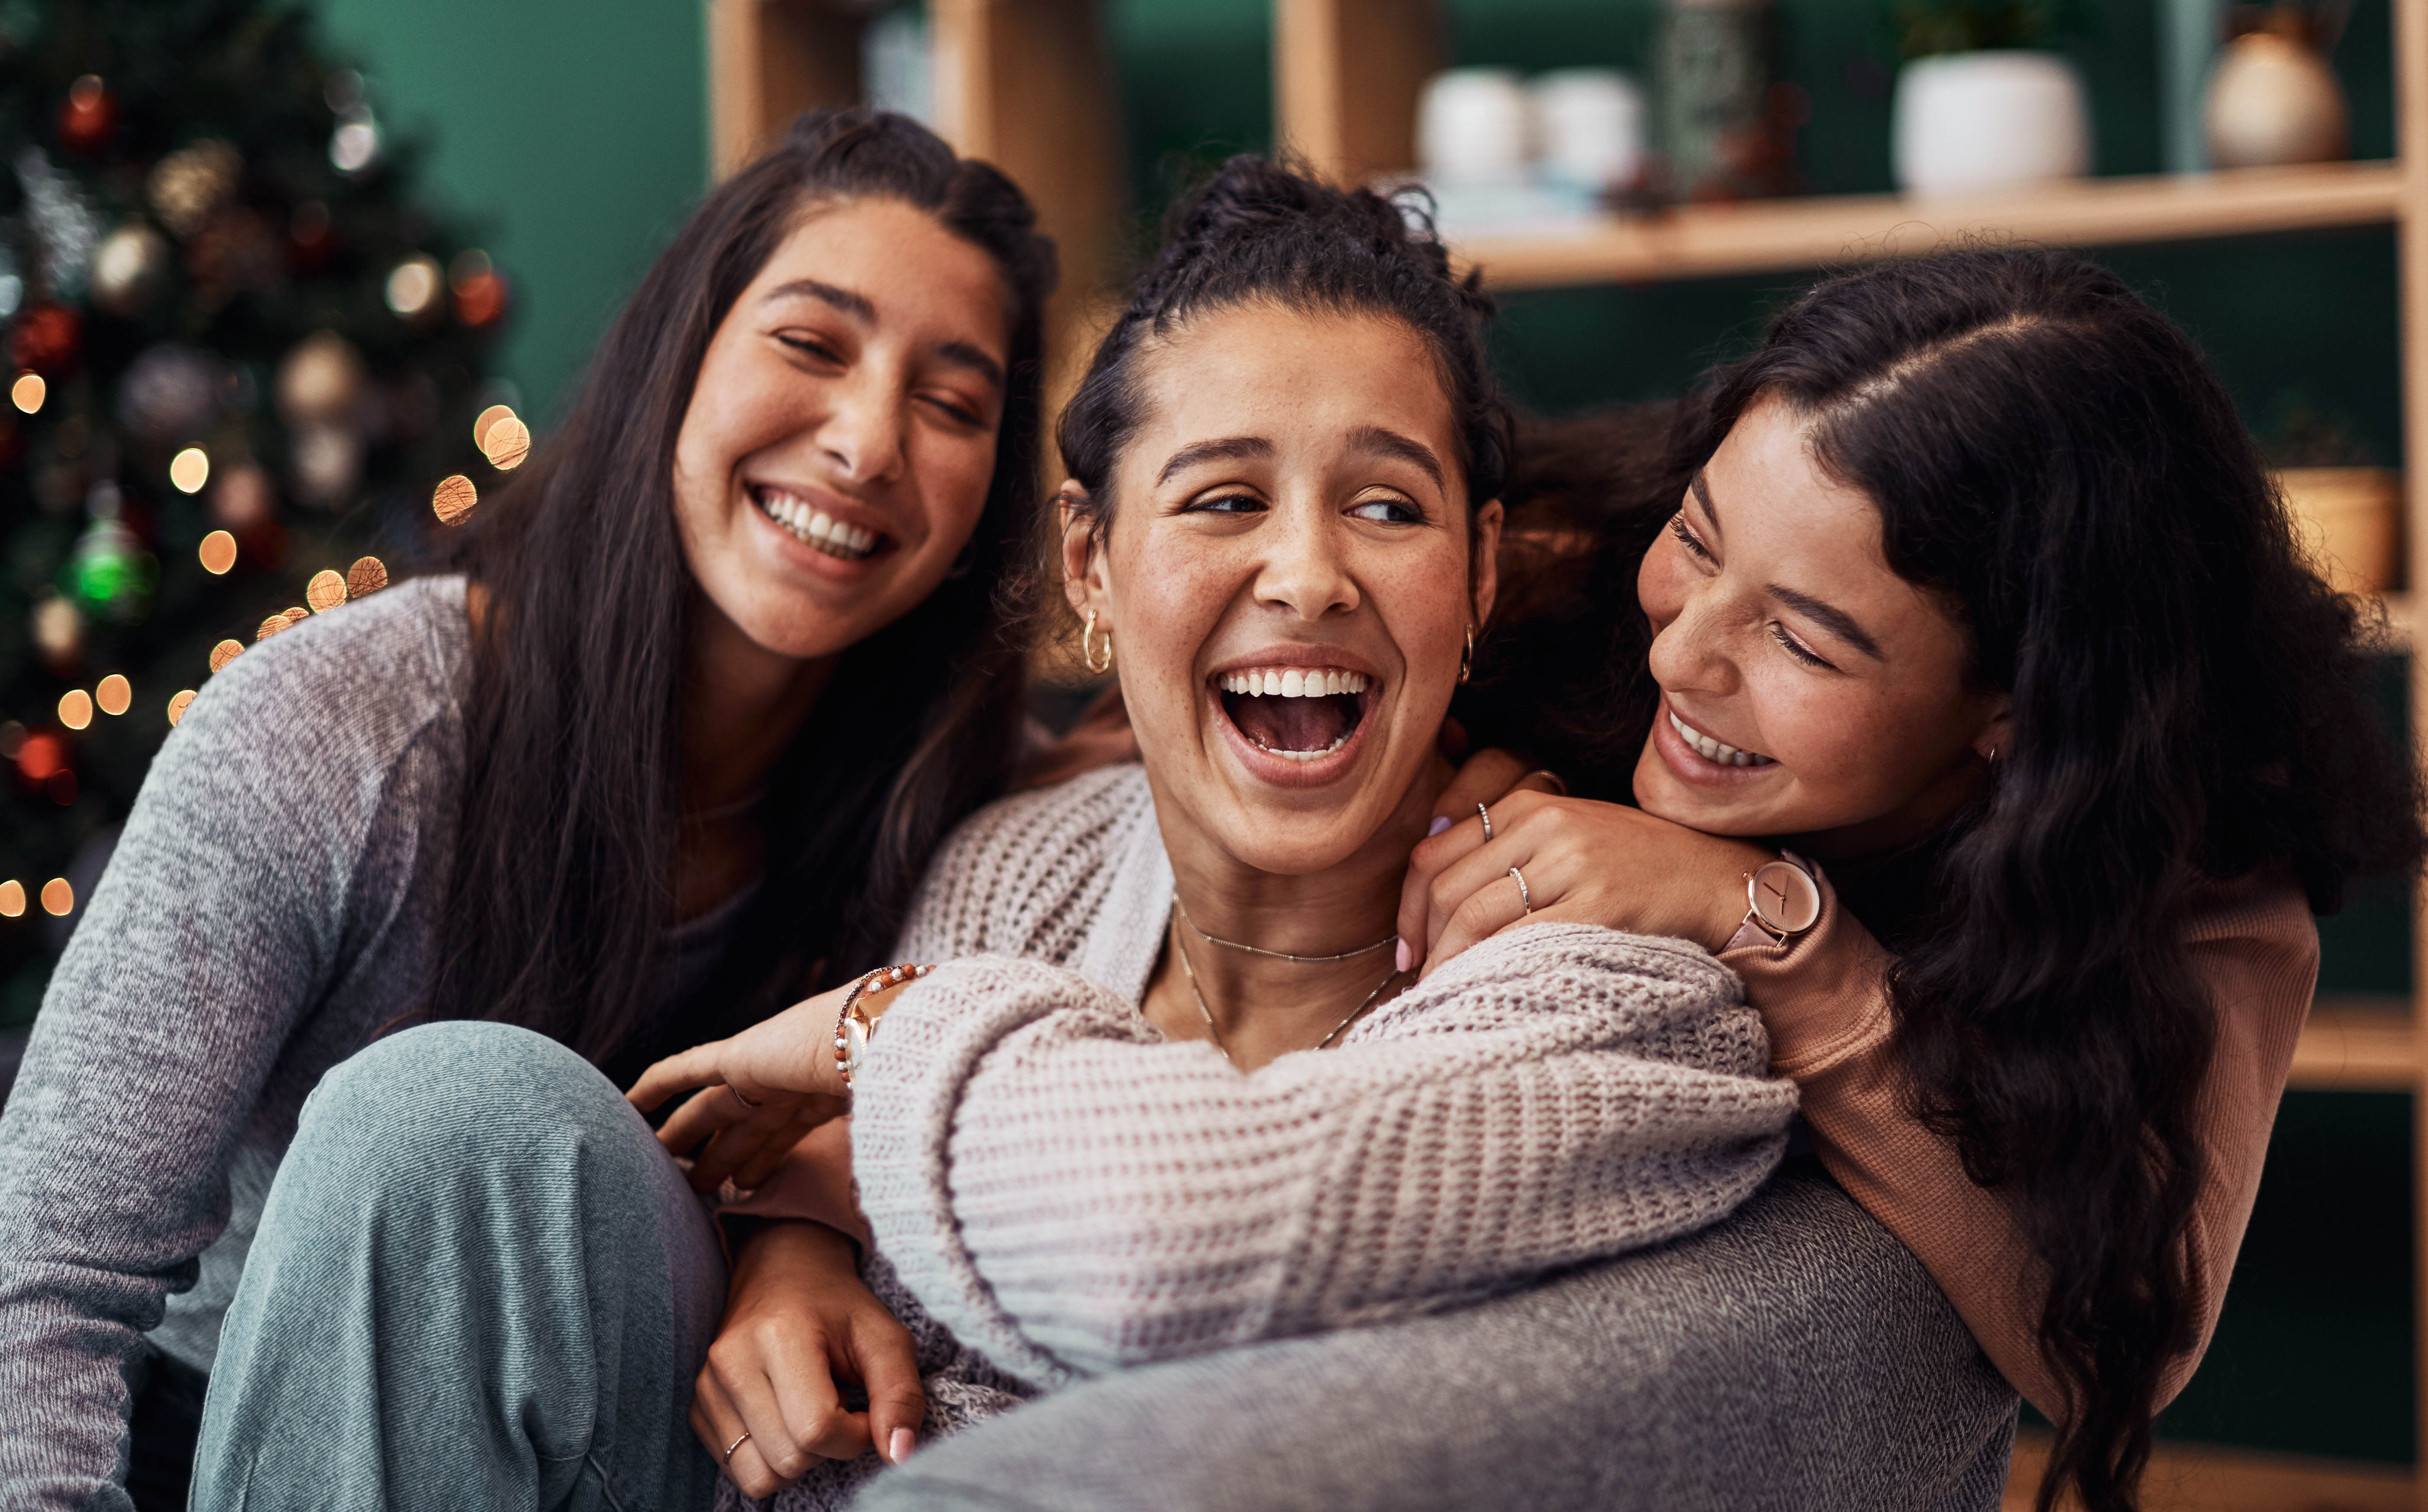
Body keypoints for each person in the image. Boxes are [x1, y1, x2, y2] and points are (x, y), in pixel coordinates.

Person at [677, 248, 2419, 1512]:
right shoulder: (1555, 578)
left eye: (1802, 639)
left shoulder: (2190, 888)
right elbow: (1165, 737)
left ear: (2005, 718)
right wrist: (792, 1230)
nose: (1690, 657)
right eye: (1702, 544)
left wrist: (1769, 932)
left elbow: (2112, 1333)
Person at [183, 156, 1798, 1512]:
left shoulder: (1608, 975)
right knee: (455, 1103)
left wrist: (884, 1030)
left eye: (1386, 507)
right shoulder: (1018, 864)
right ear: (1091, 568)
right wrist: (793, 1244)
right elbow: (835, 1173)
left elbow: (1182, 1232)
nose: (1308, 576)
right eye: (1225, 499)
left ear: (1485, 571)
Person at [0, 107, 1057, 1512]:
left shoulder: (964, 820)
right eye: (811, 343)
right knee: (453, 1113)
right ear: (676, 360)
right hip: (231, 1447)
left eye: (954, 404)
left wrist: (1460, 787)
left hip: (641, 1448)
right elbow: (42, 1277)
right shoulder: (352, 723)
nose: (869, 441)